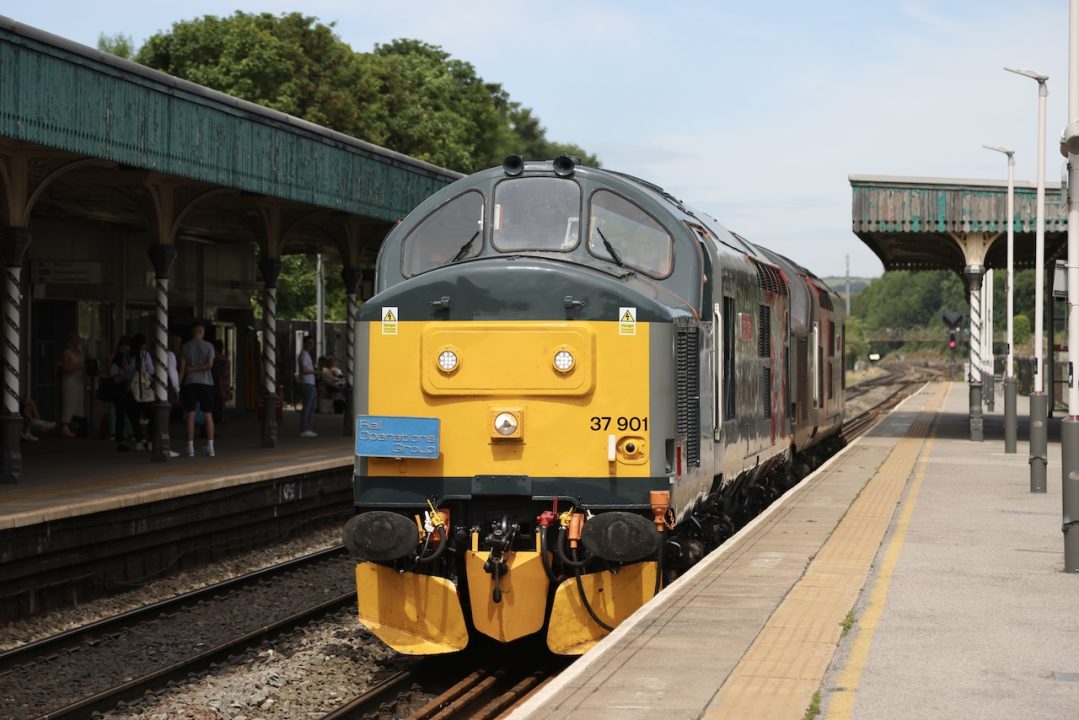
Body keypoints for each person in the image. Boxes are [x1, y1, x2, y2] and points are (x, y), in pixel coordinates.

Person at [180, 322, 216, 457]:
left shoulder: (185, 347)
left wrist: (178, 385)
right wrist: (197, 369)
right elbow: (210, 364)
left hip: (190, 382)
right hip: (206, 383)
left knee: (190, 414)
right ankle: (210, 447)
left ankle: (190, 448)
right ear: (201, 332)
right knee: (208, 414)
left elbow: (183, 369)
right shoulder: (209, 346)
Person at [60, 332, 85, 438]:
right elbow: (65, 368)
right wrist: (77, 366)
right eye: (76, 339)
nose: (78, 341)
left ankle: (76, 425)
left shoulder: (80, 352)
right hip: (70, 381)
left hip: (79, 381)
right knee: (69, 403)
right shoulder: (67, 353)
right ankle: (65, 426)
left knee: (78, 404)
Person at [297, 335, 317, 437]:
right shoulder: (304, 355)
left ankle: (308, 428)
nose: (311, 345)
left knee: (311, 406)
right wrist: (316, 372)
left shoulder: (307, 354)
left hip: (310, 383)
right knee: (308, 407)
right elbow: (305, 370)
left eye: (312, 343)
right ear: (304, 343)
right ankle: (304, 429)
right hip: (307, 383)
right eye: (309, 343)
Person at [211, 339, 231, 425]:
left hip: (216, 383)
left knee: (215, 402)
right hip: (224, 383)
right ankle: (219, 418)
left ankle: (216, 419)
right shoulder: (224, 360)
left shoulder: (215, 360)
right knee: (220, 403)